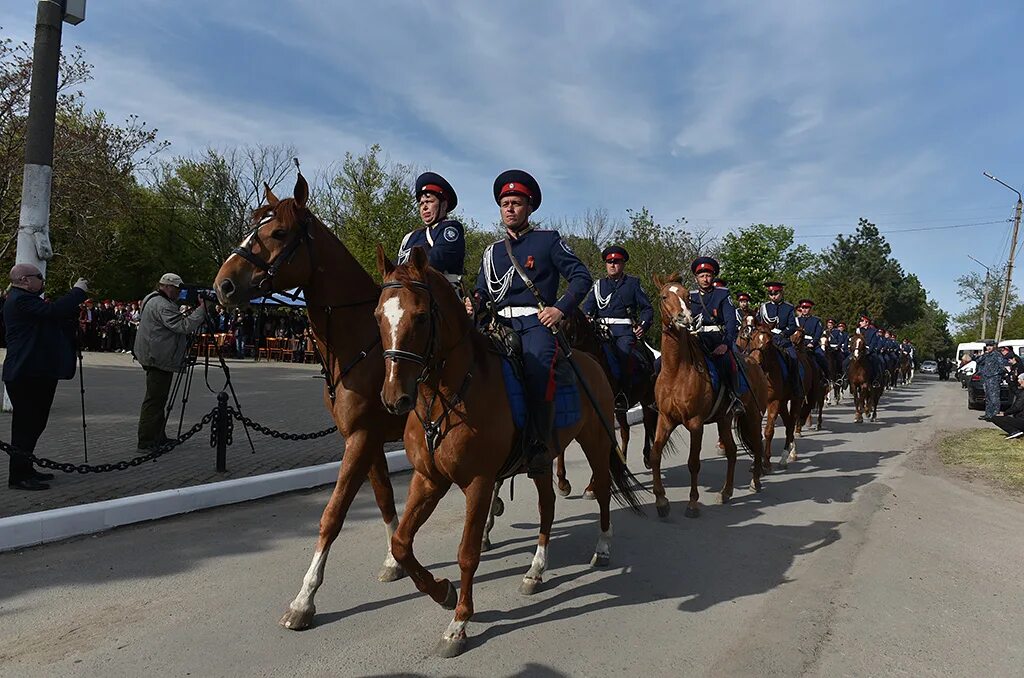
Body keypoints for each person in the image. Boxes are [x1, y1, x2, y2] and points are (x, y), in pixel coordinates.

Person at [471, 169, 592, 477]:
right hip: (498, 326)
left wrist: (559, 309)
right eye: (505, 203)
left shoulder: (547, 241)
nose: (509, 208)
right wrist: (473, 301)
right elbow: (484, 291)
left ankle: (538, 446)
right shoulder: (491, 252)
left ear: (529, 207)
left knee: (538, 371)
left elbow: (581, 277)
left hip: (535, 324)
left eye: (516, 202)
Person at [3, 264, 89, 490]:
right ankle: (18, 476)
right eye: (39, 277)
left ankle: (26, 466)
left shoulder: (28, 300)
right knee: (26, 426)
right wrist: (77, 291)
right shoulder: (20, 299)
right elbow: (52, 312)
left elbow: (52, 317)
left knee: (35, 424)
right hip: (25, 373)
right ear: (24, 280)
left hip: (37, 372)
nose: (43, 280)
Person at [134, 273, 211, 450]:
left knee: (159, 399)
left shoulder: (151, 298)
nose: (179, 293)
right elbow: (183, 326)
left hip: (154, 354)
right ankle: (146, 440)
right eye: (177, 289)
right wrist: (202, 310)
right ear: (167, 286)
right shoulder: (162, 304)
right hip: (158, 357)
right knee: (154, 400)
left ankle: (158, 436)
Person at [581, 245, 654, 401]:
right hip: (600, 331)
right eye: (609, 262)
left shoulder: (633, 283)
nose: (612, 265)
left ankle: (623, 392)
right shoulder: (599, 285)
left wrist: (643, 325)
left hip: (624, 331)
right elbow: (589, 306)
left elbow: (647, 308)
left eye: (616, 262)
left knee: (624, 354)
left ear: (623, 264)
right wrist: (587, 316)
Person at [688, 257, 744, 410]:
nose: (705, 279)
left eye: (708, 275)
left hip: (717, 339)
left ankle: (734, 397)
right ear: (696, 278)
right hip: (695, 339)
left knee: (728, 362)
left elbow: (731, 323)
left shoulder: (722, 295)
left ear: (713, 276)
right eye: (701, 276)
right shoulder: (690, 296)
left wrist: (726, 344)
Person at [398, 172, 465, 294]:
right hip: (408, 294)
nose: (424, 207)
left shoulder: (450, 229)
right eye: (421, 203)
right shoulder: (410, 237)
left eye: (429, 201)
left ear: (443, 205)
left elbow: (435, 260)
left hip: (442, 297)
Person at [757, 281, 800, 394]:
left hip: (782, 340)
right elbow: (758, 324)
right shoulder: (764, 307)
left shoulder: (788, 308)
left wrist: (783, 334)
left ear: (781, 293)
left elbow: (792, 326)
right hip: (766, 339)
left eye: (776, 293)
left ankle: (795, 386)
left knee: (793, 358)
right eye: (771, 294)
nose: (773, 296)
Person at [974, 339, 1007, 421]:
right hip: (986, 378)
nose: (989, 348)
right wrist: (982, 354)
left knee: (994, 398)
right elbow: (977, 361)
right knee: (988, 397)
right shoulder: (987, 355)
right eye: (987, 346)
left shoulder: (997, 355)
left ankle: (995, 415)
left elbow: (1002, 368)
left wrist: (996, 374)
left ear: (994, 346)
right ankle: (988, 414)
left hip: (994, 378)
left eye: (990, 346)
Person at [794, 299, 829, 374]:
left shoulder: (816, 320)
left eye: (806, 308)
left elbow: (818, 334)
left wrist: (812, 343)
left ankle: (828, 379)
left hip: (812, 345)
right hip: (798, 344)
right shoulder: (796, 320)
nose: (804, 310)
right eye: (803, 308)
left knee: (822, 358)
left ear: (810, 309)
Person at [989, 373, 1024, 438]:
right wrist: (1009, 378)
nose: (1018, 381)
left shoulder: (1022, 394)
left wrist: (1005, 413)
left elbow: (1017, 407)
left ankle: (1014, 431)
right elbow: (1015, 390)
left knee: (995, 418)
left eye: (1019, 379)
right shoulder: (1021, 392)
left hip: (1022, 421)